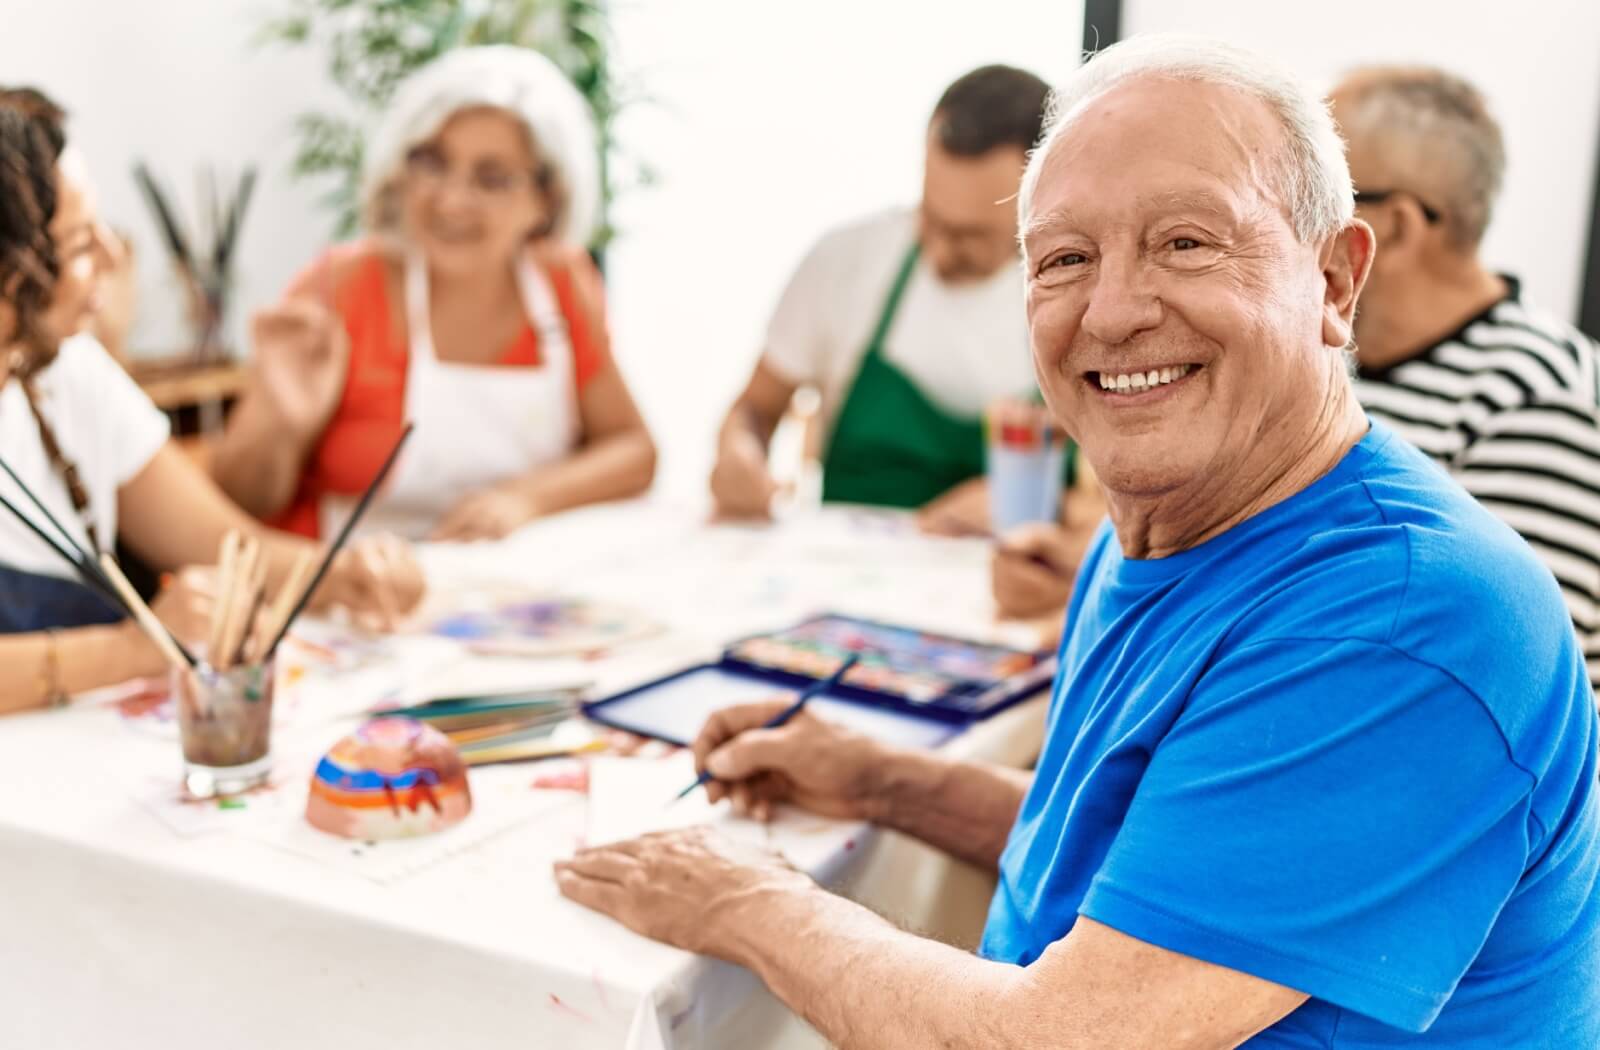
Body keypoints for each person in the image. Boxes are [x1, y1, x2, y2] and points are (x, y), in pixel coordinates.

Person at [555, 36, 1600, 1047]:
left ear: (1334, 280)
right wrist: (885, 783)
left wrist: (746, 903)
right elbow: (1152, 857)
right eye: (1063, 258)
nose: (1110, 311)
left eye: (1185, 242)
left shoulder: (1402, 621)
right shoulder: (1157, 522)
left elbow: (1060, 1041)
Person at [0, 88, 425, 715]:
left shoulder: (65, 370)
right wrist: (133, 649)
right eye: (84, 246)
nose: (117, 260)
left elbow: (222, 543)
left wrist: (341, 575)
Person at [210, 46, 655, 542]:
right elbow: (235, 507)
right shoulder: (339, 288)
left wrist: (525, 498)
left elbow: (634, 449)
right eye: (432, 163)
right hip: (341, 594)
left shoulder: (560, 284)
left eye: (492, 178)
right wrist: (277, 419)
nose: (451, 200)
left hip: (499, 593)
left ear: (545, 200)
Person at [1330, 67, 1600, 693]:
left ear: (1392, 227)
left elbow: (1469, 670)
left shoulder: (1544, 398)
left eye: (1312, 195)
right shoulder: (1339, 363)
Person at [710, 65, 1065, 533]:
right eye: (931, 216)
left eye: (967, 236)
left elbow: (1121, 498)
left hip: (1015, 577)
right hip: (847, 573)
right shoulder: (844, 262)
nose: (937, 249)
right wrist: (740, 453)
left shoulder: (1074, 296)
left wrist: (1039, 506)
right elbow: (754, 409)